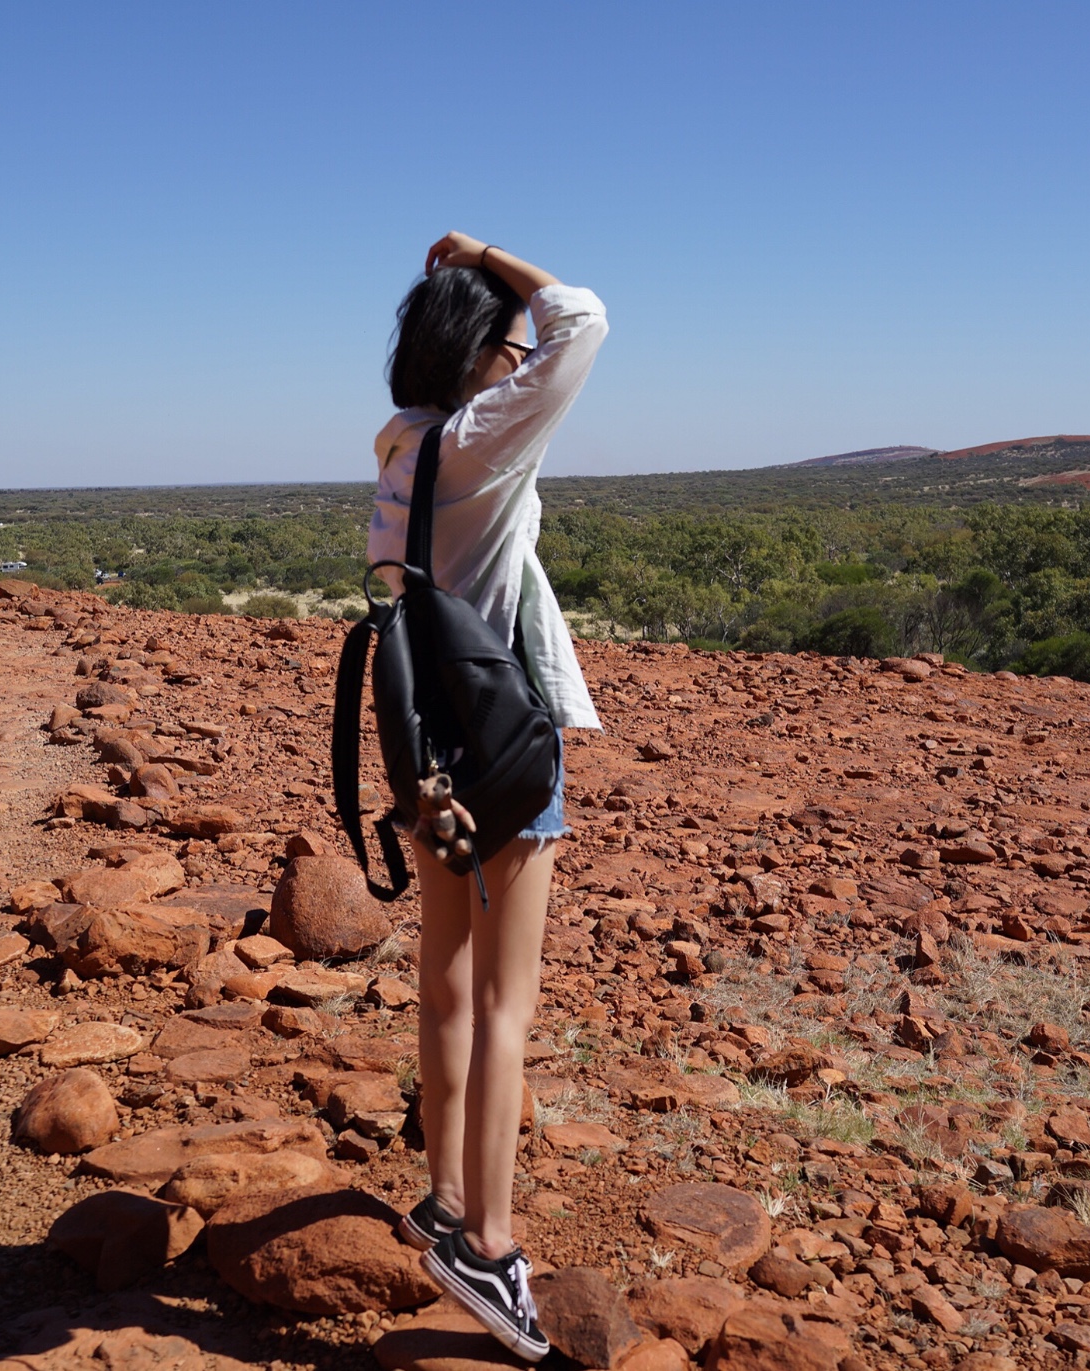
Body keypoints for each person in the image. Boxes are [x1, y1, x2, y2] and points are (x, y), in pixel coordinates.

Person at [370, 233, 605, 1361]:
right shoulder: (480, 439)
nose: (523, 363)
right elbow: (586, 319)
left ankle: (442, 1200)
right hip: (507, 748)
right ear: (473, 356)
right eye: (505, 350)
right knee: (508, 1004)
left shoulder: (401, 451)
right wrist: (482, 253)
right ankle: (488, 1245)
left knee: (446, 984)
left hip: (422, 750)